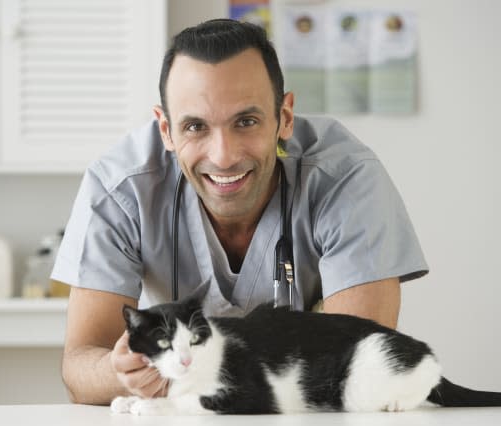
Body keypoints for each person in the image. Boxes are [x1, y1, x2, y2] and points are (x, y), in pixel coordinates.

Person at [51, 19, 428, 405]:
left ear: (285, 117)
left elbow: (351, 358)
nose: (224, 156)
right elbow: (80, 369)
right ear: (165, 129)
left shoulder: (347, 180)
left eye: (246, 122)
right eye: (195, 126)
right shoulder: (119, 188)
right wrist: (123, 374)